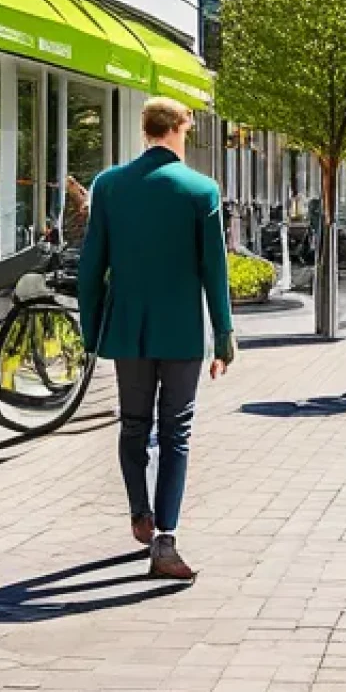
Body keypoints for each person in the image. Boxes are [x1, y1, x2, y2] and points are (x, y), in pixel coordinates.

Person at [78, 97, 235, 581]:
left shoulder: (108, 185)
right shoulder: (200, 189)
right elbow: (214, 268)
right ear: (178, 130)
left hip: (128, 328)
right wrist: (224, 334)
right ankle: (165, 539)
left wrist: (92, 329)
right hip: (182, 330)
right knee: (175, 432)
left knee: (132, 425)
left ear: (146, 131)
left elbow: (90, 266)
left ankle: (139, 512)